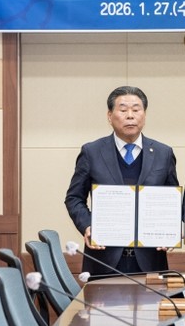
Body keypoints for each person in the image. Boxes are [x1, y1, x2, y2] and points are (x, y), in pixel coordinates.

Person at [65, 86, 179, 276]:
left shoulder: (163, 153)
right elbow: (74, 198)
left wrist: (171, 230)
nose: (130, 115)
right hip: (103, 258)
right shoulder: (92, 152)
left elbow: (173, 202)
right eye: (123, 110)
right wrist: (88, 225)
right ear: (109, 116)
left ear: (144, 115)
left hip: (150, 260)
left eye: (136, 109)